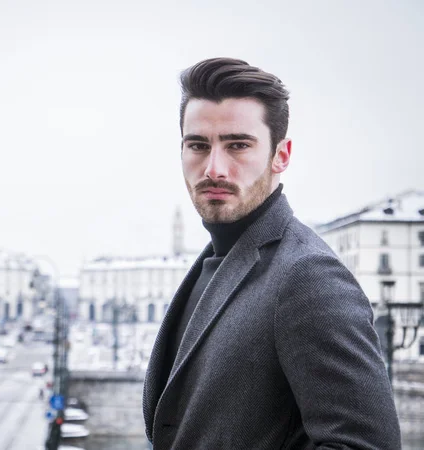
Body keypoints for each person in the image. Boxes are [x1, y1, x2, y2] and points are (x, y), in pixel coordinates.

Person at [142, 58, 401, 450]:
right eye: (198, 145)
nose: (214, 168)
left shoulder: (308, 276)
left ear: (281, 155)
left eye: (238, 145)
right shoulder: (218, 261)